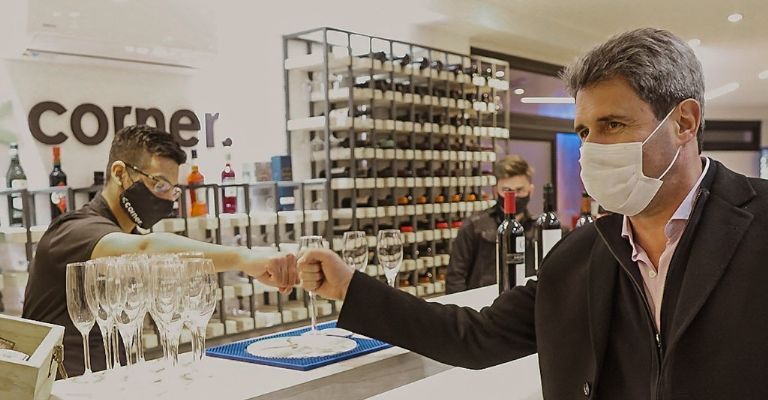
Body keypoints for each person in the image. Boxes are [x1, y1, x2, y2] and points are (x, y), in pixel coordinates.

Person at [297, 28, 768, 399]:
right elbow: (473, 337)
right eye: (584, 131)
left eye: (613, 124)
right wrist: (348, 287)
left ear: (684, 121)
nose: (592, 148)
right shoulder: (580, 256)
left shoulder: (759, 223)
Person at [22, 125, 298, 376]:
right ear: (120, 173)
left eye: (172, 190)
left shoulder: (125, 234)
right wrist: (244, 259)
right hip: (58, 387)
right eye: (159, 184)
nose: (167, 198)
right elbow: (146, 248)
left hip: (108, 381)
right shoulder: (74, 231)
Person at [446, 155, 536, 293]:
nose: (513, 196)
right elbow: (455, 278)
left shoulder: (538, 229)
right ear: (495, 191)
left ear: (531, 190)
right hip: (483, 303)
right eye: (507, 190)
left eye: (519, 190)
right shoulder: (473, 226)